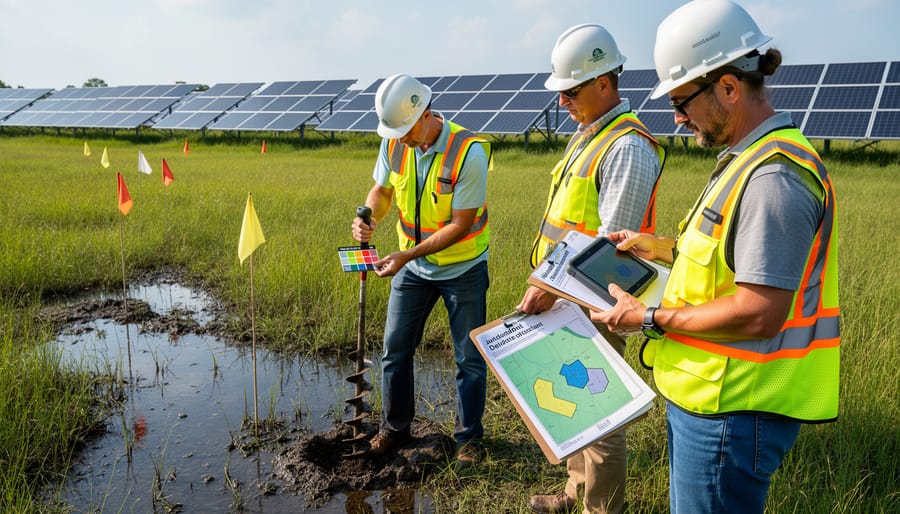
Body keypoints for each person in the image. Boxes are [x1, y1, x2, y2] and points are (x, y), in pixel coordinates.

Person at [591, 1, 840, 513]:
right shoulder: (747, 161)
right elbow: (728, 260)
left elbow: (759, 312)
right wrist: (656, 247)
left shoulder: (773, 177)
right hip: (713, 401)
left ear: (728, 87)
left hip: (733, 411)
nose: (677, 118)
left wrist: (648, 318)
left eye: (682, 102)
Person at [519, 24, 665, 514]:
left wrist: (550, 289)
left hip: (598, 302)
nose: (561, 101)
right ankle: (573, 493)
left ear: (604, 82)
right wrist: (548, 284)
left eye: (571, 91)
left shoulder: (626, 147)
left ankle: (601, 509)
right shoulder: (590, 136)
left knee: (600, 415)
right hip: (567, 293)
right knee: (576, 400)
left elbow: (607, 251)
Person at [351, 73, 492, 467]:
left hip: (463, 268)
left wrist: (405, 256)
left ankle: (469, 440)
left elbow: (460, 224)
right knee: (395, 350)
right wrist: (370, 217)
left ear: (425, 114)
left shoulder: (468, 152)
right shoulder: (394, 142)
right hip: (413, 268)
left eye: (405, 131)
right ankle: (396, 428)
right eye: (394, 132)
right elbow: (382, 191)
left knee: (468, 358)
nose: (400, 139)